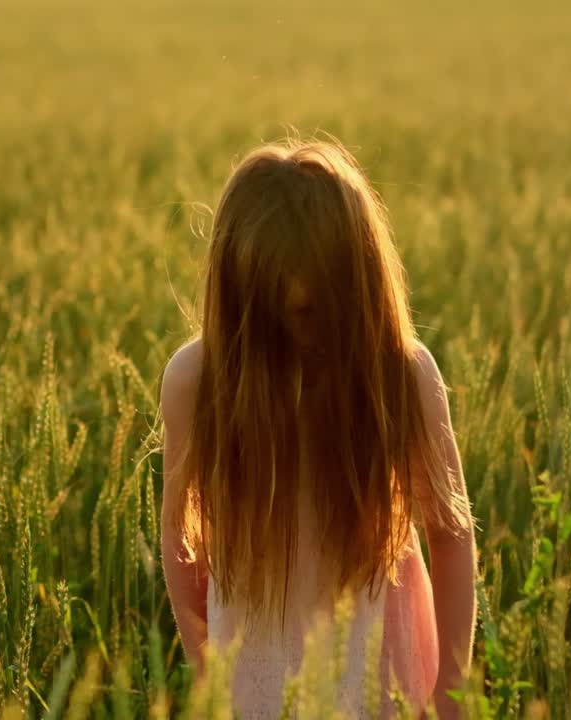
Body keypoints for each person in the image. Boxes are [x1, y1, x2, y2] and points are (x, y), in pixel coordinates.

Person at [159, 140, 477, 718]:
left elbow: (451, 534)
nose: (300, 335)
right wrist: (208, 672)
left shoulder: (399, 375)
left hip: (383, 652)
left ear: (357, 292)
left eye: (313, 313)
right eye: (278, 318)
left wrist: (450, 692)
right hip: (254, 657)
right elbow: (180, 543)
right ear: (240, 301)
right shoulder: (197, 381)